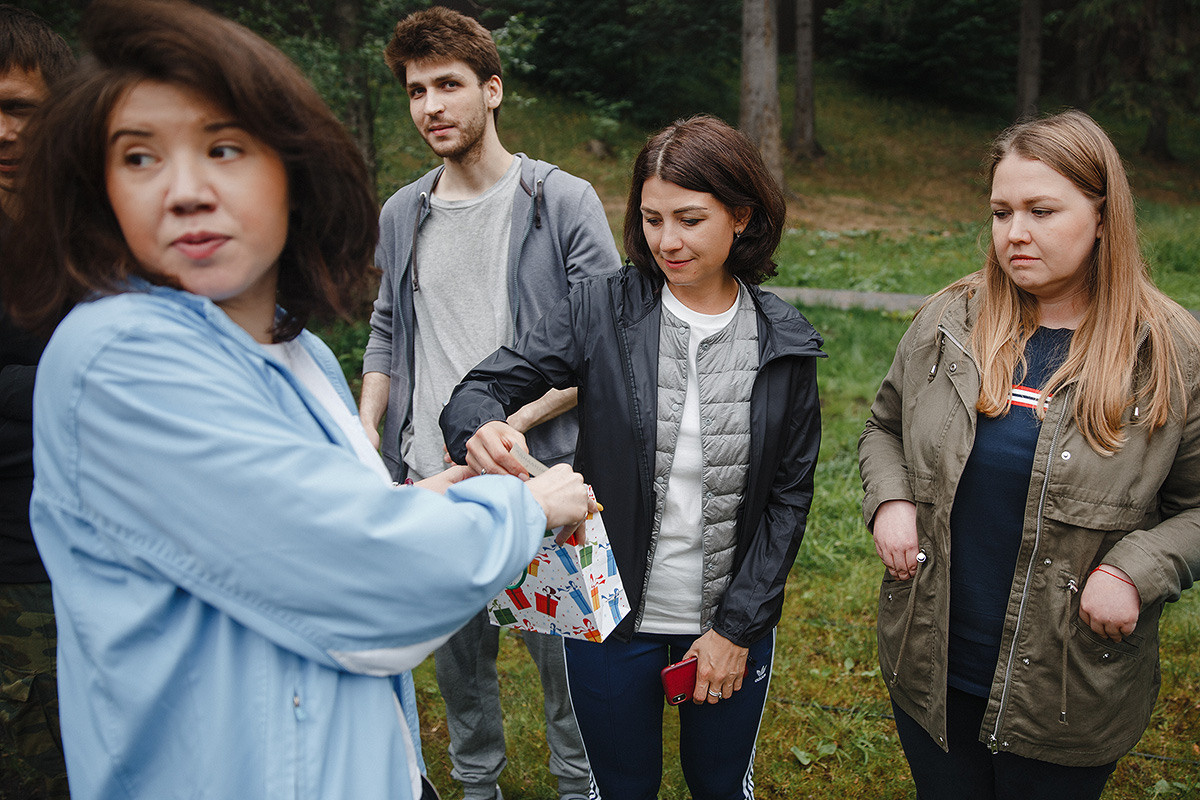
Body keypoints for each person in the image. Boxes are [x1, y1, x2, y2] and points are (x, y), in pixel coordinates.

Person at [0, 2, 597, 799]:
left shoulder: (298, 353)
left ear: (296, 170)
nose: (183, 191)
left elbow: (293, 530)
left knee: (567, 685)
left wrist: (424, 496)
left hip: (352, 763)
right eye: (138, 158)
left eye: (222, 148)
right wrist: (527, 510)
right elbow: (366, 583)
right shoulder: (119, 358)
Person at [442, 115, 824, 800]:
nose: (667, 241)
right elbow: (484, 387)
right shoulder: (600, 307)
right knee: (619, 789)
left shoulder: (783, 342)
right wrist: (480, 427)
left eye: (689, 218)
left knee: (718, 786)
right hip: (610, 621)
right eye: (651, 219)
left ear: (741, 215)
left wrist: (735, 629)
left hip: (725, 624)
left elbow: (788, 501)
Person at [858, 109, 1200, 800]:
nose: (1015, 233)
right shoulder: (949, 321)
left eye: (1042, 210)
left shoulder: (1169, 353)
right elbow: (882, 428)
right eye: (1001, 211)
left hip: (1067, 687)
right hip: (932, 665)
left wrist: (1135, 571)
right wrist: (891, 498)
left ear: (1103, 217)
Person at [360, 8, 619, 800]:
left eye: (447, 85)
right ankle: (479, 790)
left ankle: (580, 788)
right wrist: (362, 429)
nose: (430, 106)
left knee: (567, 681)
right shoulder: (403, 212)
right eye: (415, 91)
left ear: (492, 90)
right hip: (431, 485)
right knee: (461, 679)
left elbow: (606, 345)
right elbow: (383, 330)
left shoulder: (561, 201)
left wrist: (513, 425)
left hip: (538, 481)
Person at [0, 6, 74, 797]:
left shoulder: (95, 230)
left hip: (107, 557)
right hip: (13, 570)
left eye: (18, 107)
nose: (3, 131)